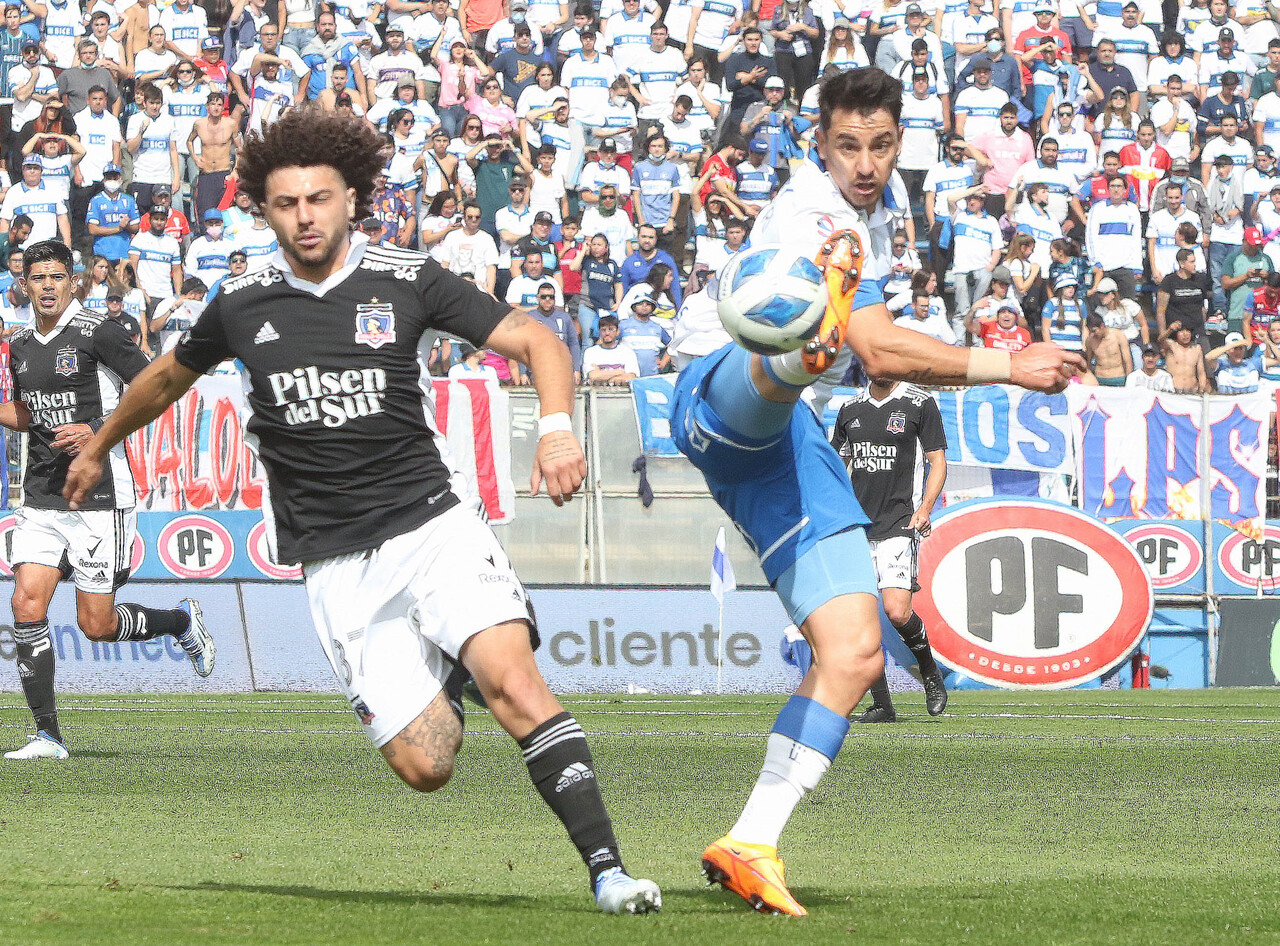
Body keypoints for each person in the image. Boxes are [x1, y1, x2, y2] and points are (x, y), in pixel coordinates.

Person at [63, 110, 661, 916]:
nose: (304, 216)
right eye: (285, 204)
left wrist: (556, 432)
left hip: (431, 526)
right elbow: (168, 377)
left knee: (517, 686)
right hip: (335, 561)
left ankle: (610, 873)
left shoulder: (406, 276)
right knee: (428, 766)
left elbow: (539, 342)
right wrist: (102, 443)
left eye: (319, 198)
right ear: (262, 210)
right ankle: (452, 667)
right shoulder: (240, 301)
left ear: (352, 199)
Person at [671, 68, 1083, 917]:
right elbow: (884, 356)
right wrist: (1009, 365)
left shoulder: (872, 219)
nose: (865, 162)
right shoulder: (815, 214)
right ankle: (788, 355)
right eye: (848, 146)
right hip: (722, 391)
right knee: (806, 352)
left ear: (902, 145)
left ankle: (751, 840)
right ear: (818, 144)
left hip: (783, 444)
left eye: (882, 146)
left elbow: (879, 344)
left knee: (856, 653)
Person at [2, 240, 214, 761]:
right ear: (23, 284)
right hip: (42, 496)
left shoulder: (99, 331)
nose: (47, 286)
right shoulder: (21, 342)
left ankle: (181, 622)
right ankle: (47, 735)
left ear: (73, 281)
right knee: (26, 603)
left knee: (96, 626)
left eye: (57, 277)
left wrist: (95, 430)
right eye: (38, 278)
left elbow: (154, 384)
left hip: (100, 496)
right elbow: (29, 416)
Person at [826, 376, 948, 724]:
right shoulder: (850, 409)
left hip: (900, 522)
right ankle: (882, 704)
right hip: (858, 527)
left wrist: (925, 507)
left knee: (896, 611)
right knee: (857, 621)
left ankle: (929, 672)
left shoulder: (919, 403)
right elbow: (838, 464)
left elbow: (937, 461)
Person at [582, 313, 640, 384]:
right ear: (599, 332)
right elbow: (592, 376)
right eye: (603, 330)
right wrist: (620, 372)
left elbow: (631, 376)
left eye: (611, 329)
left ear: (617, 332)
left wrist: (602, 375)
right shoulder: (590, 352)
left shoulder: (627, 352)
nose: (607, 333)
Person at [1084, 313, 1133, 385]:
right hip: (1100, 378)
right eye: (1090, 331)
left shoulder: (1118, 335)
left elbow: (1128, 361)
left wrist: (1129, 382)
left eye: (1094, 331)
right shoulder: (1090, 340)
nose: (1092, 334)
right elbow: (1088, 363)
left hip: (1118, 378)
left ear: (1102, 326)